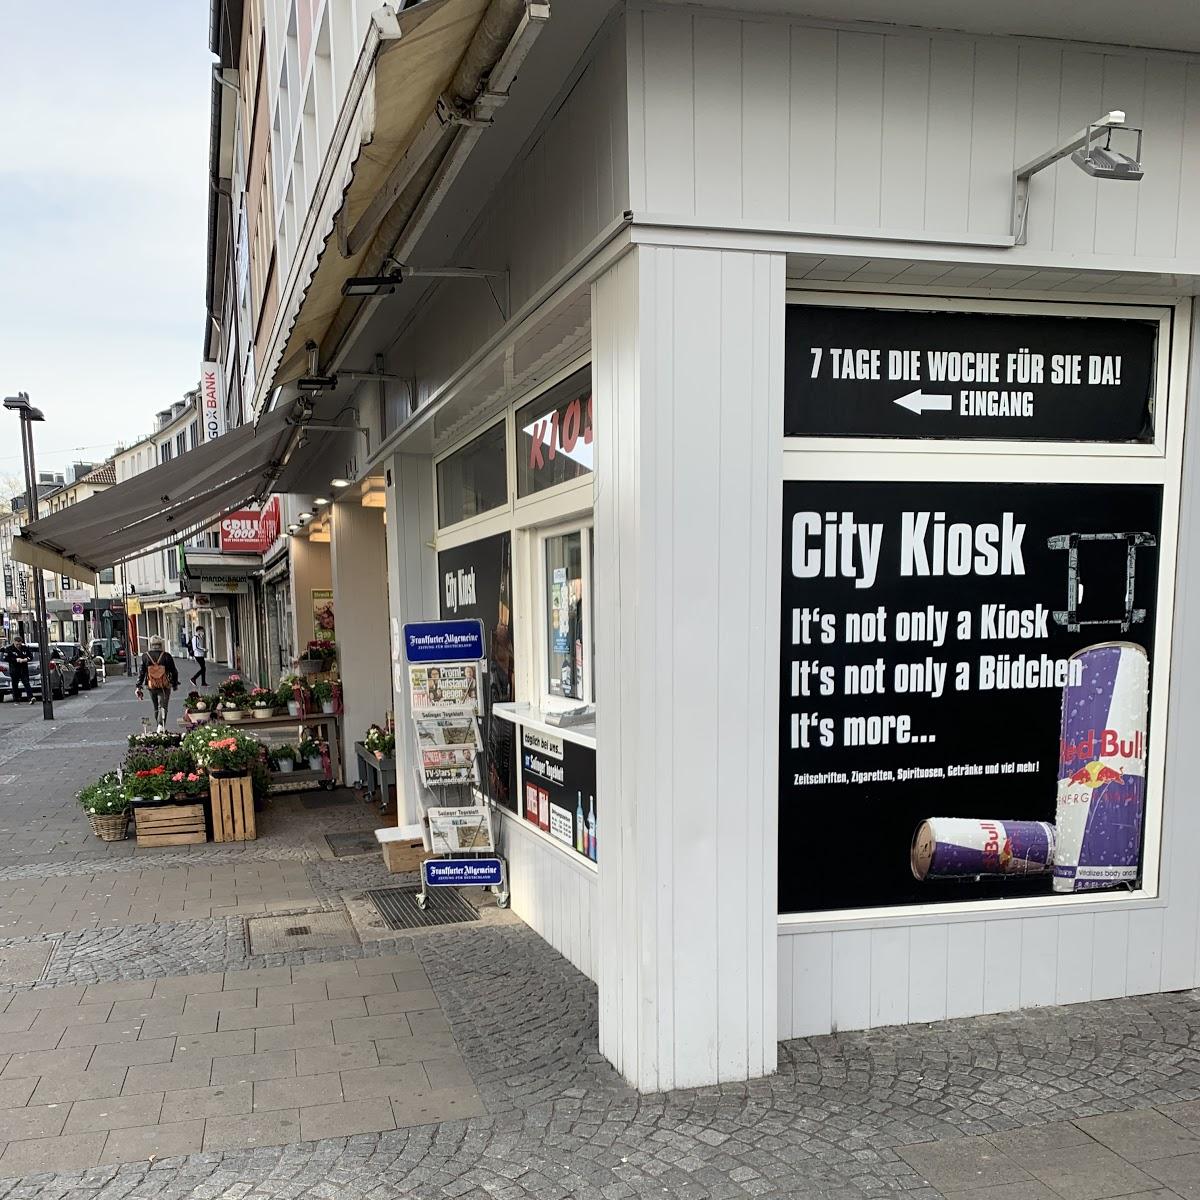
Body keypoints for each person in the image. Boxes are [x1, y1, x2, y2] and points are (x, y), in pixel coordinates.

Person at [136, 635, 179, 731]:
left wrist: (138, 686)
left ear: (151, 644)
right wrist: (174, 683)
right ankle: (160, 725)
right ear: (161, 644)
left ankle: (159, 726)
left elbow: (142, 672)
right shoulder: (166, 656)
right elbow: (174, 671)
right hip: (164, 685)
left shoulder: (145, 656)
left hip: (151, 685)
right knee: (163, 706)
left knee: (156, 706)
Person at [4, 636, 34, 704]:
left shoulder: (25, 648)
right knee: (15, 685)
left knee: (26, 683)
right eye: (17, 644)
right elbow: (6, 658)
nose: (18, 646)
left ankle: (31, 697)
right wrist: (15, 660)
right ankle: (16, 699)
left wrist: (26, 659)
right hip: (14, 669)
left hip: (23, 669)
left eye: (19, 644)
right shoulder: (9, 649)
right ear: (14, 642)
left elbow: (31, 656)